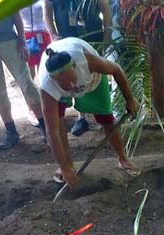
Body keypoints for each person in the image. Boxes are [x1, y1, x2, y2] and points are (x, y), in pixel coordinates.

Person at [39, 38, 140, 186]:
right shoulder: (47, 86)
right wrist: (65, 168)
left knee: (106, 118)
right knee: (58, 122)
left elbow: (116, 70)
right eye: (64, 83)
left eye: (72, 78)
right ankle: (68, 165)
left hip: (93, 82)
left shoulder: (87, 61)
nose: (72, 85)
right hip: (60, 94)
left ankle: (123, 159)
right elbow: (51, 132)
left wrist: (129, 99)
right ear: (54, 80)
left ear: (74, 66)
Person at [0, 15, 47, 150]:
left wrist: (22, 39)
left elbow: (16, 15)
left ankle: (46, 129)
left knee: (27, 84)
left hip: (10, 40)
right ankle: (11, 132)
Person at [43, 0, 112, 136]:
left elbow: (105, 7)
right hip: (66, 37)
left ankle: (104, 117)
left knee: (96, 76)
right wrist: (52, 33)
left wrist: (107, 34)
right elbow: (47, 7)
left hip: (93, 36)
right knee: (71, 77)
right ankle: (82, 118)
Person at [20, 0, 52, 126]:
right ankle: (31, 109)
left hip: (43, 34)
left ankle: (44, 105)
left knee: (43, 73)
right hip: (26, 36)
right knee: (28, 75)